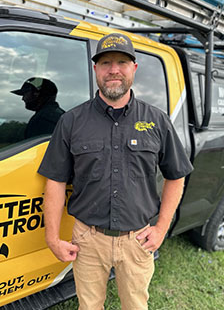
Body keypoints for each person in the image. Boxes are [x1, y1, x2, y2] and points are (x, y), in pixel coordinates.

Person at [38, 33, 193, 309]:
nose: (114, 70)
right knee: (89, 306)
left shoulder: (156, 120)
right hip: (87, 239)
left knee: (135, 304)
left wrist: (160, 229)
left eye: (122, 62)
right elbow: (55, 182)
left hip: (138, 240)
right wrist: (52, 238)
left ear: (134, 68)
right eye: (106, 62)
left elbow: (176, 175)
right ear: (95, 69)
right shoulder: (71, 121)